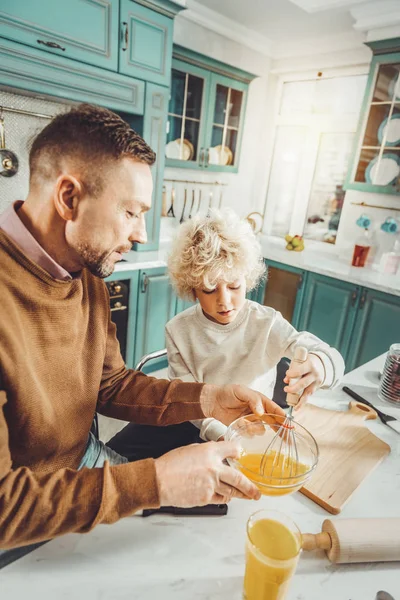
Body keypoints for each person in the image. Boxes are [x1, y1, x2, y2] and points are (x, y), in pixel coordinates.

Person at [0, 105, 285, 550]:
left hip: (85, 459)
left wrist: (208, 398)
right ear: (69, 198)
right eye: (132, 212)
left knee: (208, 524)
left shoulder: (86, 270)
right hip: (27, 506)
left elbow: (110, 383)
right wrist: (156, 481)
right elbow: (5, 508)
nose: (142, 235)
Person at [164, 209, 345, 443]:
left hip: (256, 430)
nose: (225, 301)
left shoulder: (267, 323)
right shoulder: (178, 331)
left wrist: (321, 364)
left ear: (247, 279)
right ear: (192, 289)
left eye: (234, 286)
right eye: (209, 290)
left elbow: (334, 359)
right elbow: (188, 399)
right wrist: (223, 435)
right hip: (199, 427)